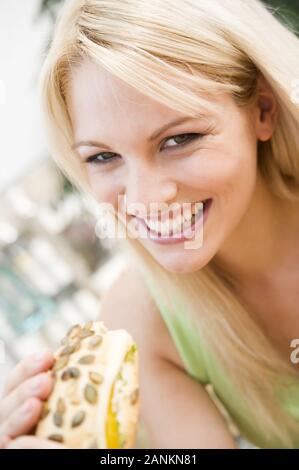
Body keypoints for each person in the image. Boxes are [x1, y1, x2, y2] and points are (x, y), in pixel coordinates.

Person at [1, 0, 299, 449]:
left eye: (179, 139)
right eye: (103, 157)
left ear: (262, 109)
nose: (141, 199)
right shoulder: (138, 319)